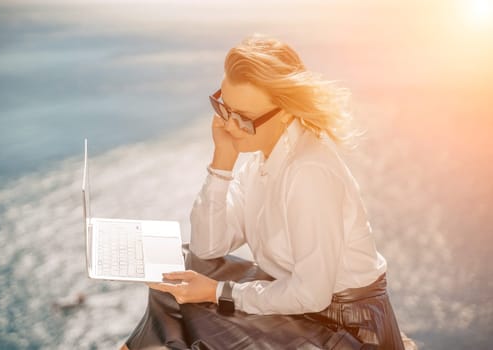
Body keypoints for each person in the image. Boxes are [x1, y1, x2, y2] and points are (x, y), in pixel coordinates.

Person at [121, 34, 408, 349]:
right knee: (177, 267)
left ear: (286, 111)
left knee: (191, 304)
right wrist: (222, 163)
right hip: (300, 302)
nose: (230, 125)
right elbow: (207, 247)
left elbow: (311, 295)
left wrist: (218, 292)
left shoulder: (308, 173)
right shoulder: (261, 159)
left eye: (244, 117)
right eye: (223, 107)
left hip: (346, 326)